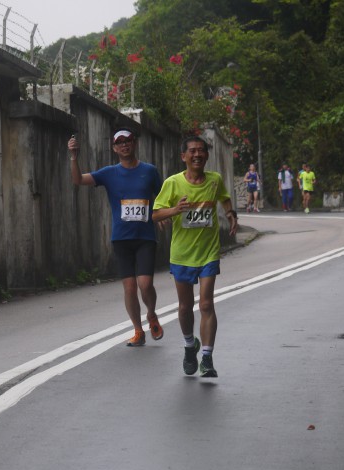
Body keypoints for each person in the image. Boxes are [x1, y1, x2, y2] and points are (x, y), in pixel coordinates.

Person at [67, 129, 164, 347]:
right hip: (121, 238)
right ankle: (138, 331)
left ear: (134, 143)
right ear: (114, 148)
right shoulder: (109, 173)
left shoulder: (149, 171)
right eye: (119, 143)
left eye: (128, 141)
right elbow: (78, 180)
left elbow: (163, 195)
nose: (124, 145)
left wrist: (163, 213)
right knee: (130, 287)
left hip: (145, 236)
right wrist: (74, 157)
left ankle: (151, 313)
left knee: (145, 284)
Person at [152, 136, 238, 378]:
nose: (197, 155)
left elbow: (223, 197)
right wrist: (174, 210)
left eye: (201, 151)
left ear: (206, 155)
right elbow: (155, 214)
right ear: (184, 156)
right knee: (185, 306)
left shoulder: (214, 180)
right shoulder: (173, 183)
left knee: (206, 304)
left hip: (208, 252)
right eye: (192, 151)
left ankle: (207, 358)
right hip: (181, 254)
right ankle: (190, 345)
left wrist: (231, 214)